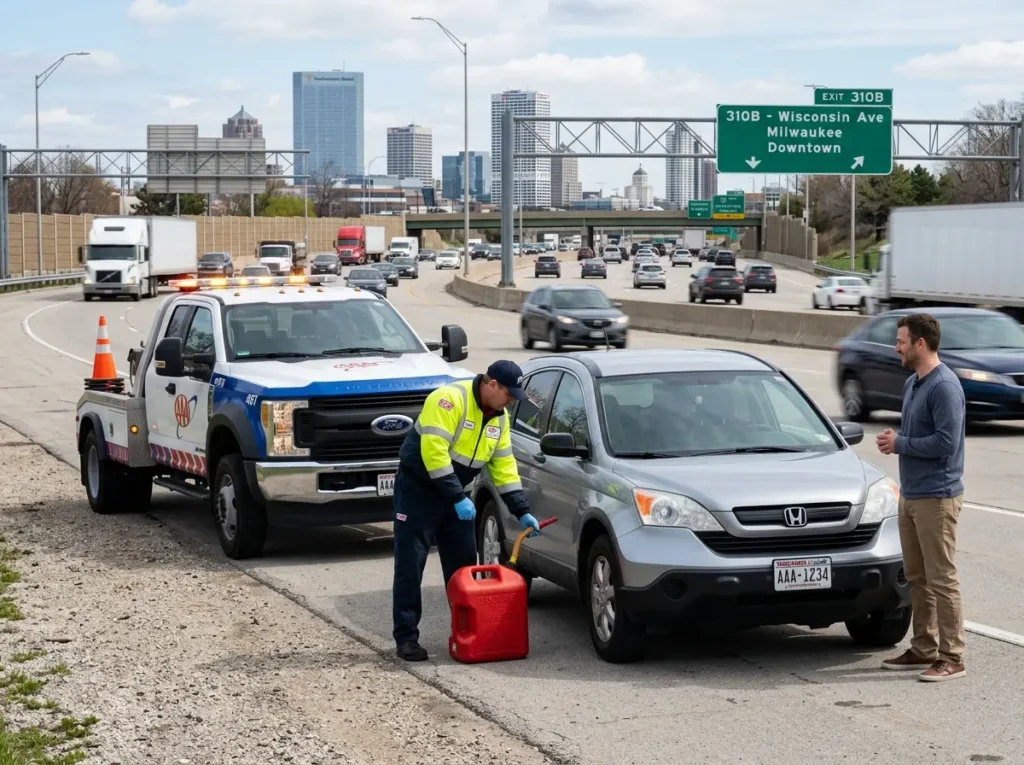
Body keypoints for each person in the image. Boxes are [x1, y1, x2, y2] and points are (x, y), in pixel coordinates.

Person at [391, 360, 540, 662]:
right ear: (491, 384)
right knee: (410, 564)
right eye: (508, 394)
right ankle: (406, 638)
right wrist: (458, 497)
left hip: (457, 496)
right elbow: (433, 454)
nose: (510, 401)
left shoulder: (499, 418)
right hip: (419, 491)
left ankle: (467, 635)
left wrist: (521, 510)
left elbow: (504, 467)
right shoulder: (449, 400)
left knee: (462, 570)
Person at [876, 313, 967, 682]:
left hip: (937, 497)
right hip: (911, 494)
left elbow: (946, 443)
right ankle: (924, 648)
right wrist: (899, 440)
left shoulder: (944, 386)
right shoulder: (914, 382)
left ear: (920, 344)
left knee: (941, 577)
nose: (896, 347)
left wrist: (901, 444)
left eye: (901, 341)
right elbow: (918, 436)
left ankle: (953, 656)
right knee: (917, 576)